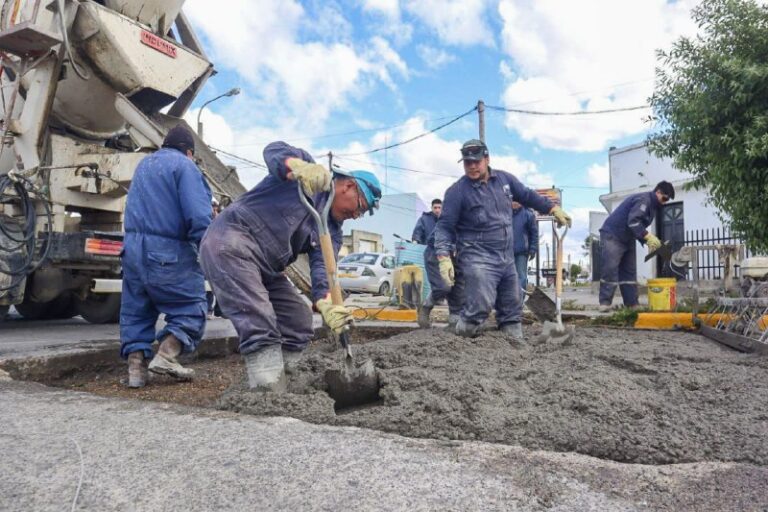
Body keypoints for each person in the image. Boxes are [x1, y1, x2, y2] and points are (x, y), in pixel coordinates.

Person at [199, 141, 382, 392]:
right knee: (259, 318)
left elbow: (324, 270)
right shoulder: (307, 173)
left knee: (298, 319)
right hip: (232, 242)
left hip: (266, 266)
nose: (357, 215)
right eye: (361, 207)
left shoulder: (332, 231)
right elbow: (273, 151)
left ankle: (287, 380)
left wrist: (327, 303)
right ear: (348, 186)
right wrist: (298, 167)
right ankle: (268, 391)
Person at [433, 139, 572, 340]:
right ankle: (462, 335)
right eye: (467, 162)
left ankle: (513, 340)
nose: (472, 166)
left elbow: (527, 195)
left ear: (487, 159)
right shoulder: (457, 192)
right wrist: (443, 256)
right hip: (476, 257)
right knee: (480, 303)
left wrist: (551, 208)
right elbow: (444, 227)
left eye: (476, 161)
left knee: (512, 302)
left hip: (505, 257)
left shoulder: (505, 181)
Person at [120, 125, 213, 388]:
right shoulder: (185, 167)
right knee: (191, 307)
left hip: (133, 249)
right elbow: (198, 215)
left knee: (137, 310)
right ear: (190, 152)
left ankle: (136, 372)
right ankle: (166, 355)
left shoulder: (144, 165)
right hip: (168, 251)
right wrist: (210, 251)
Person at [598, 181, 674, 311]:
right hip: (613, 235)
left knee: (629, 271)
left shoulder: (652, 207)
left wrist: (647, 241)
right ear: (658, 192)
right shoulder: (644, 200)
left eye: (667, 200)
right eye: (665, 198)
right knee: (611, 269)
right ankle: (605, 303)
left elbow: (637, 227)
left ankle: (632, 304)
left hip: (628, 238)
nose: (664, 202)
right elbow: (633, 222)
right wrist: (648, 237)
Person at [512, 201, 538, 292]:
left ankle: (519, 302)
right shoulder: (504, 213)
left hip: (521, 252)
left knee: (521, 277)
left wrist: (533, 249)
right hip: (505, 252)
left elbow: (534, 234)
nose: (514, 202)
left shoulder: (528, 215)